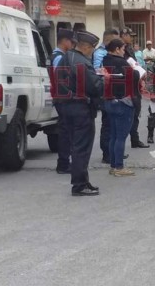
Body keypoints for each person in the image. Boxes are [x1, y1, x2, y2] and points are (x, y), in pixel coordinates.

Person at [54, 31, 105, 196]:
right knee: (81, 148)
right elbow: (95, 87)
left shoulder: (66, 58)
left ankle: (82, 181)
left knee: (76, 146)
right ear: (85, 46)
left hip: (67, 106)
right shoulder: (81, 62)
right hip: (81, 108)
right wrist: (104, 79)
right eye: (91, 48)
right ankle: (79, 184)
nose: (92, 51)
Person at [103, 38, 140, 176]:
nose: (124, 51)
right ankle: (119, 167)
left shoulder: (105, 60)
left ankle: (113, 165)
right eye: (123, 49)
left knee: (113, 135)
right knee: (121, 136)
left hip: (110, 100)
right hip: (123, 101)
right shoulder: (121, 62)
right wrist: (135, 69)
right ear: (117, 49)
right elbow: (134, 76)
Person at [50, 28, 76, 174]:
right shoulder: (60, 57)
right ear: (65, 41)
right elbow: (62, 80)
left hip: (60, 97)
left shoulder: (57, 55)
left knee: (66, 131)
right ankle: (63, 164)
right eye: (71, 42)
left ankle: (64, 162)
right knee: (66, 132)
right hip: (63, 98)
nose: (72, 45)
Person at [93, 28, 120, 164]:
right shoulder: (100, 54)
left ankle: (113, 151)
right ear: (108, 40)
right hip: (105, 92)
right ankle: (106, 153)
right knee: (108, 123)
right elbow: (98, 72)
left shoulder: (109, 52)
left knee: (114, 123)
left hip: (113, 91)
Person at [121, 27, 149, 148]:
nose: (131, 38)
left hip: (135, 83)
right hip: (127, 85)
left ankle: (135, 139)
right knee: (128, 115)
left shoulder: (129, 48)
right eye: (129, 36)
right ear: (123, 35)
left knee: (136, 114)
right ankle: (123, 142)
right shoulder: (121, 49)